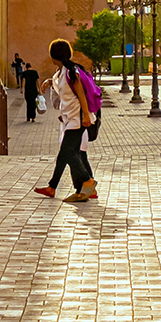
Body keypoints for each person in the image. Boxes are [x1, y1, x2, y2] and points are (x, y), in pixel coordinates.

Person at [33, 40, 97, 203]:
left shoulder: (71, 72)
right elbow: (62, 87)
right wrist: (49, 82)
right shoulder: (62, 72)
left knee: (69, 152)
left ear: (55, 56)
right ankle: (53, 188)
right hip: (70, 118)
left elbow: (81, 94)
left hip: (77, 119)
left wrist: (85, 116)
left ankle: (87, 181)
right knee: (65, 155)